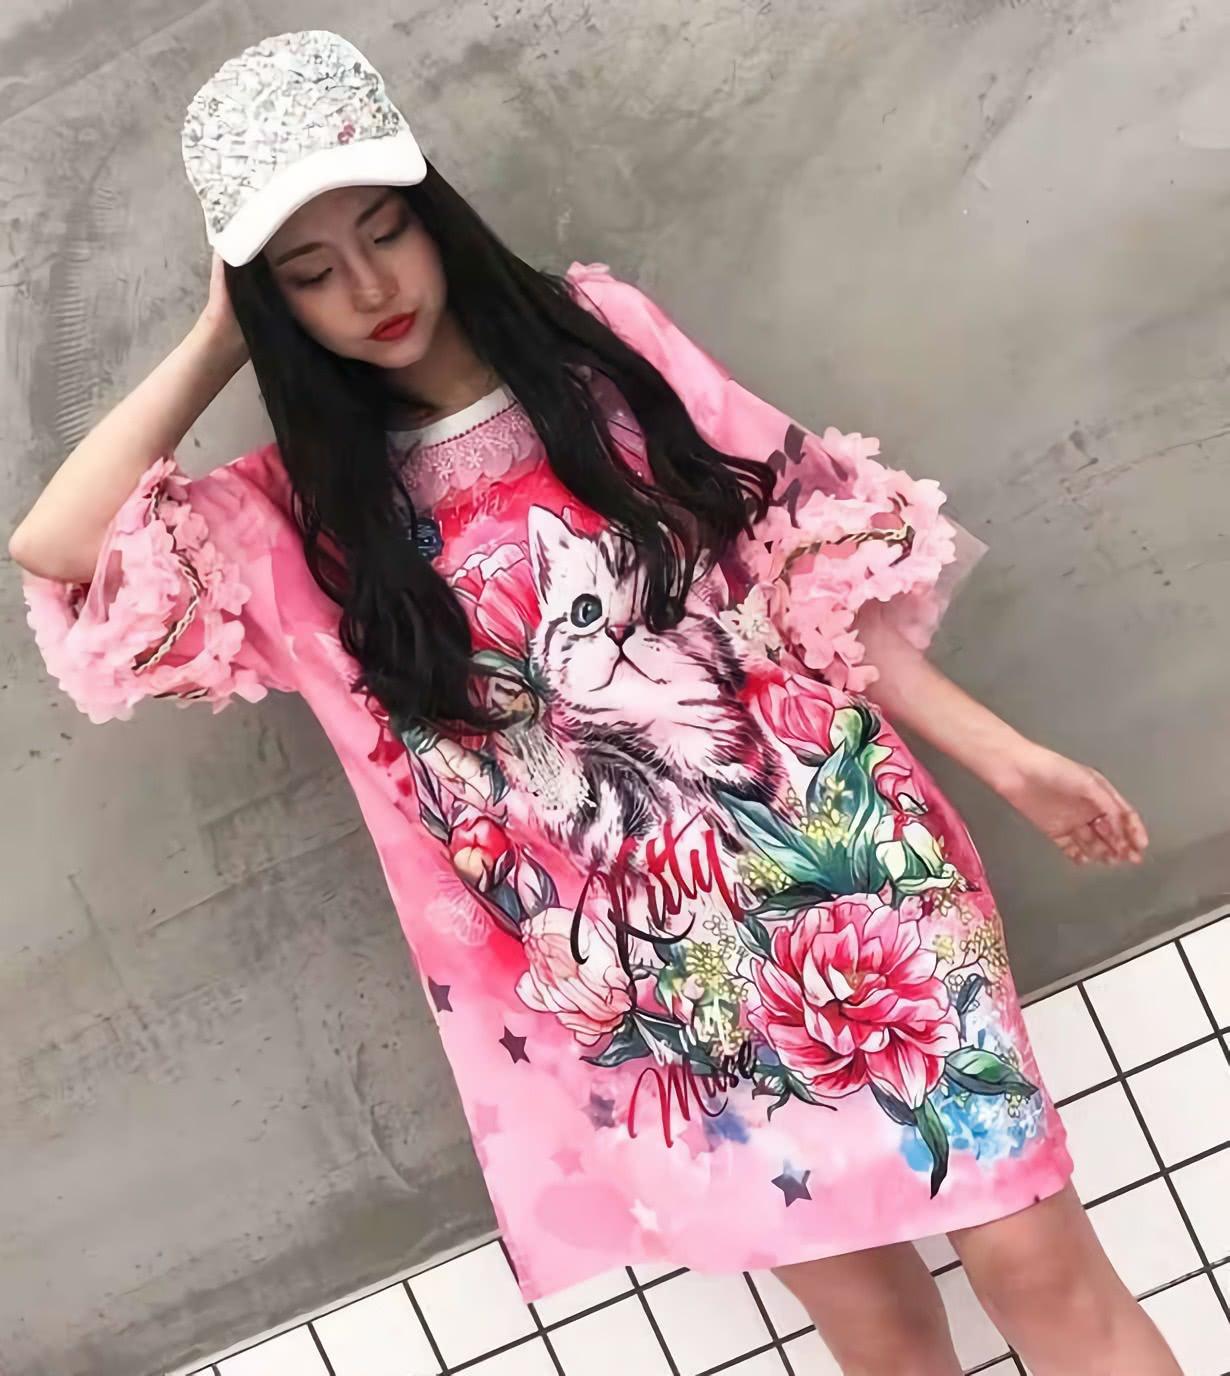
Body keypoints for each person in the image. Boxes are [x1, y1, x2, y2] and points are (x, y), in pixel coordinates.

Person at [10, 30, 1178, 1376]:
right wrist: (222, 331)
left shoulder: (604, 344)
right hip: (658, 971)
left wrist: (1008, 757)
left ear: (435, 215)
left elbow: (803, 566)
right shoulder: (296, 519)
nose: (370, 287)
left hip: (853, 879)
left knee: (1038, 1265)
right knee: (882, 1336)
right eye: (311, 274)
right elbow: (58, 547)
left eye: (384, 232)